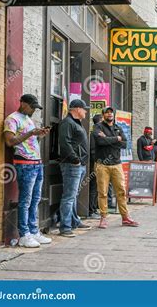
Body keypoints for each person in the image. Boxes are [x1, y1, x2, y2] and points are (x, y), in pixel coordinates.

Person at [3, 94, 51, 248]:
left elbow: (29, 143)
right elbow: (10, 142)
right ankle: (24, 235)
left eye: (35, 108)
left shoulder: (28, 119)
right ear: (23, 103)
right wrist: (31, 133)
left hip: (36, 163)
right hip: (24, 164)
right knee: (26, 201)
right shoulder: (12, 119)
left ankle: (33, 230)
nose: (33, 110)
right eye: (32, 107)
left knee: (35, 199)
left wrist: (39, 136)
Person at [93, 106, 139, 229]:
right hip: (102, 164)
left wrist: (108, 139)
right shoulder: (98, 127)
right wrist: (116, 139)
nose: (109, 114)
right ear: (103, 115)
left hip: (116, 164)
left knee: (121, 191)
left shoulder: (118, 128)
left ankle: (125, 217)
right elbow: (100, 142)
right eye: (107, 113)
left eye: (111, 113)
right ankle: (103, 218)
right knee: (102, 192)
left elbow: (124, 144)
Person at [58, 99, 92, 237]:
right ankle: (65, 227)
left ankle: (74, 221)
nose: (85, 111)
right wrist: (75, 160)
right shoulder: (67, 122)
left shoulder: (76, 123)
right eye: (84, 109)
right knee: (69, 196)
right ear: (77, 109)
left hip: (79, 165)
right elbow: (64, 143)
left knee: (74, 195)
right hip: (72, 165)